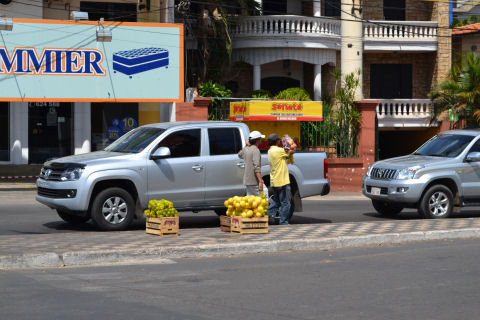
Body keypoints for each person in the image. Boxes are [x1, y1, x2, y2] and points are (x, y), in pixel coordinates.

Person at [267, 133, 295, 225]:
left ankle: (263, 216)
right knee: (286, 203)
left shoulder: (270, 151)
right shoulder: (279, 151)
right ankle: (284, 222)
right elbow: (293, 149)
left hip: (275, 181)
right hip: (282, 181)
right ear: (277, 141)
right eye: (279, 140)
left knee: (277, 202)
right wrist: (288, 139)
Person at [238, 130, 265, 196]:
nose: (261, 140)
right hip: (254, 180)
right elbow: (256, 166)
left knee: (251, 200)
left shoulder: (247, 149)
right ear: (257, 140)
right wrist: (260, 181)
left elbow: (239, 154)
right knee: (264, 197)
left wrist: (246, 145)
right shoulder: (255, 150)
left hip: (247, 180)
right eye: (260, 139)